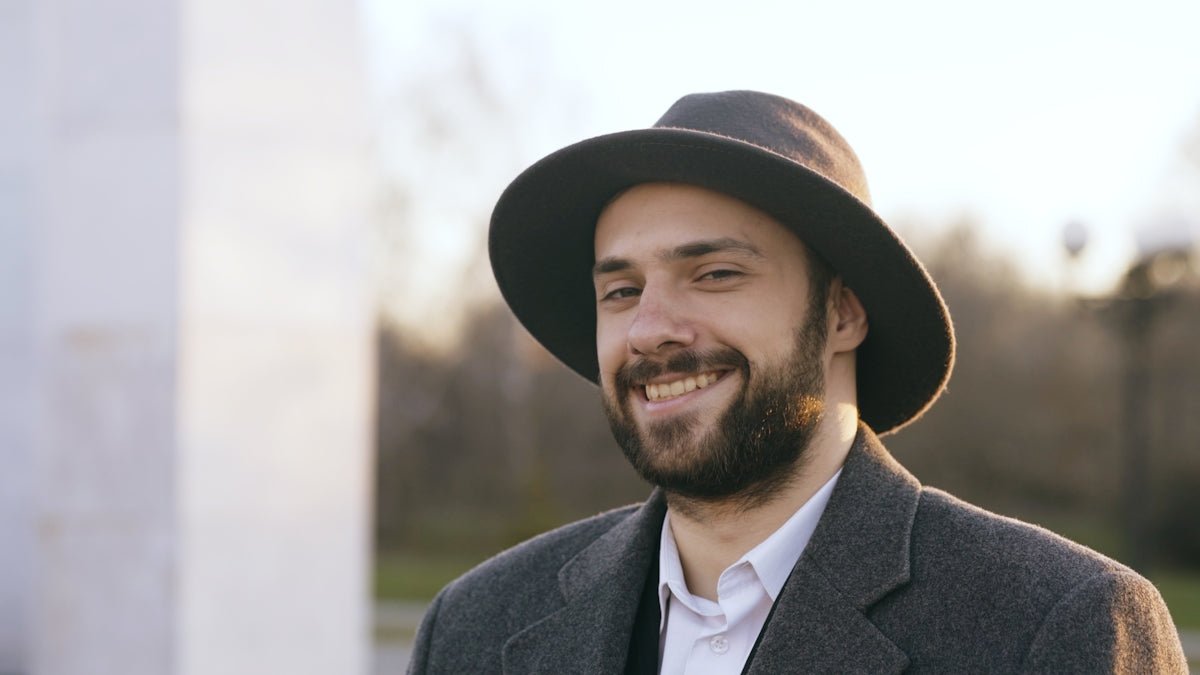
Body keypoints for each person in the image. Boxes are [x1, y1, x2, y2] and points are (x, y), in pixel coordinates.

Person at [407, 90, 1186, 673]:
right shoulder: (474, 628)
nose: (650, 327)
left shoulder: (1057, 625)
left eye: (713, 273)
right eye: (621, 290)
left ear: (844, 312)